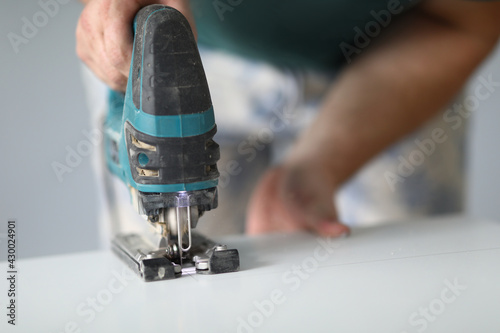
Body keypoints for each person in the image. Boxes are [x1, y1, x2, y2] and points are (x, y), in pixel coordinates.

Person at [76, 0, 500, 241]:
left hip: (396, 60)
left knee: (401, 286)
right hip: (198, 58)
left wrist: (322, 163)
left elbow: (464, 24)